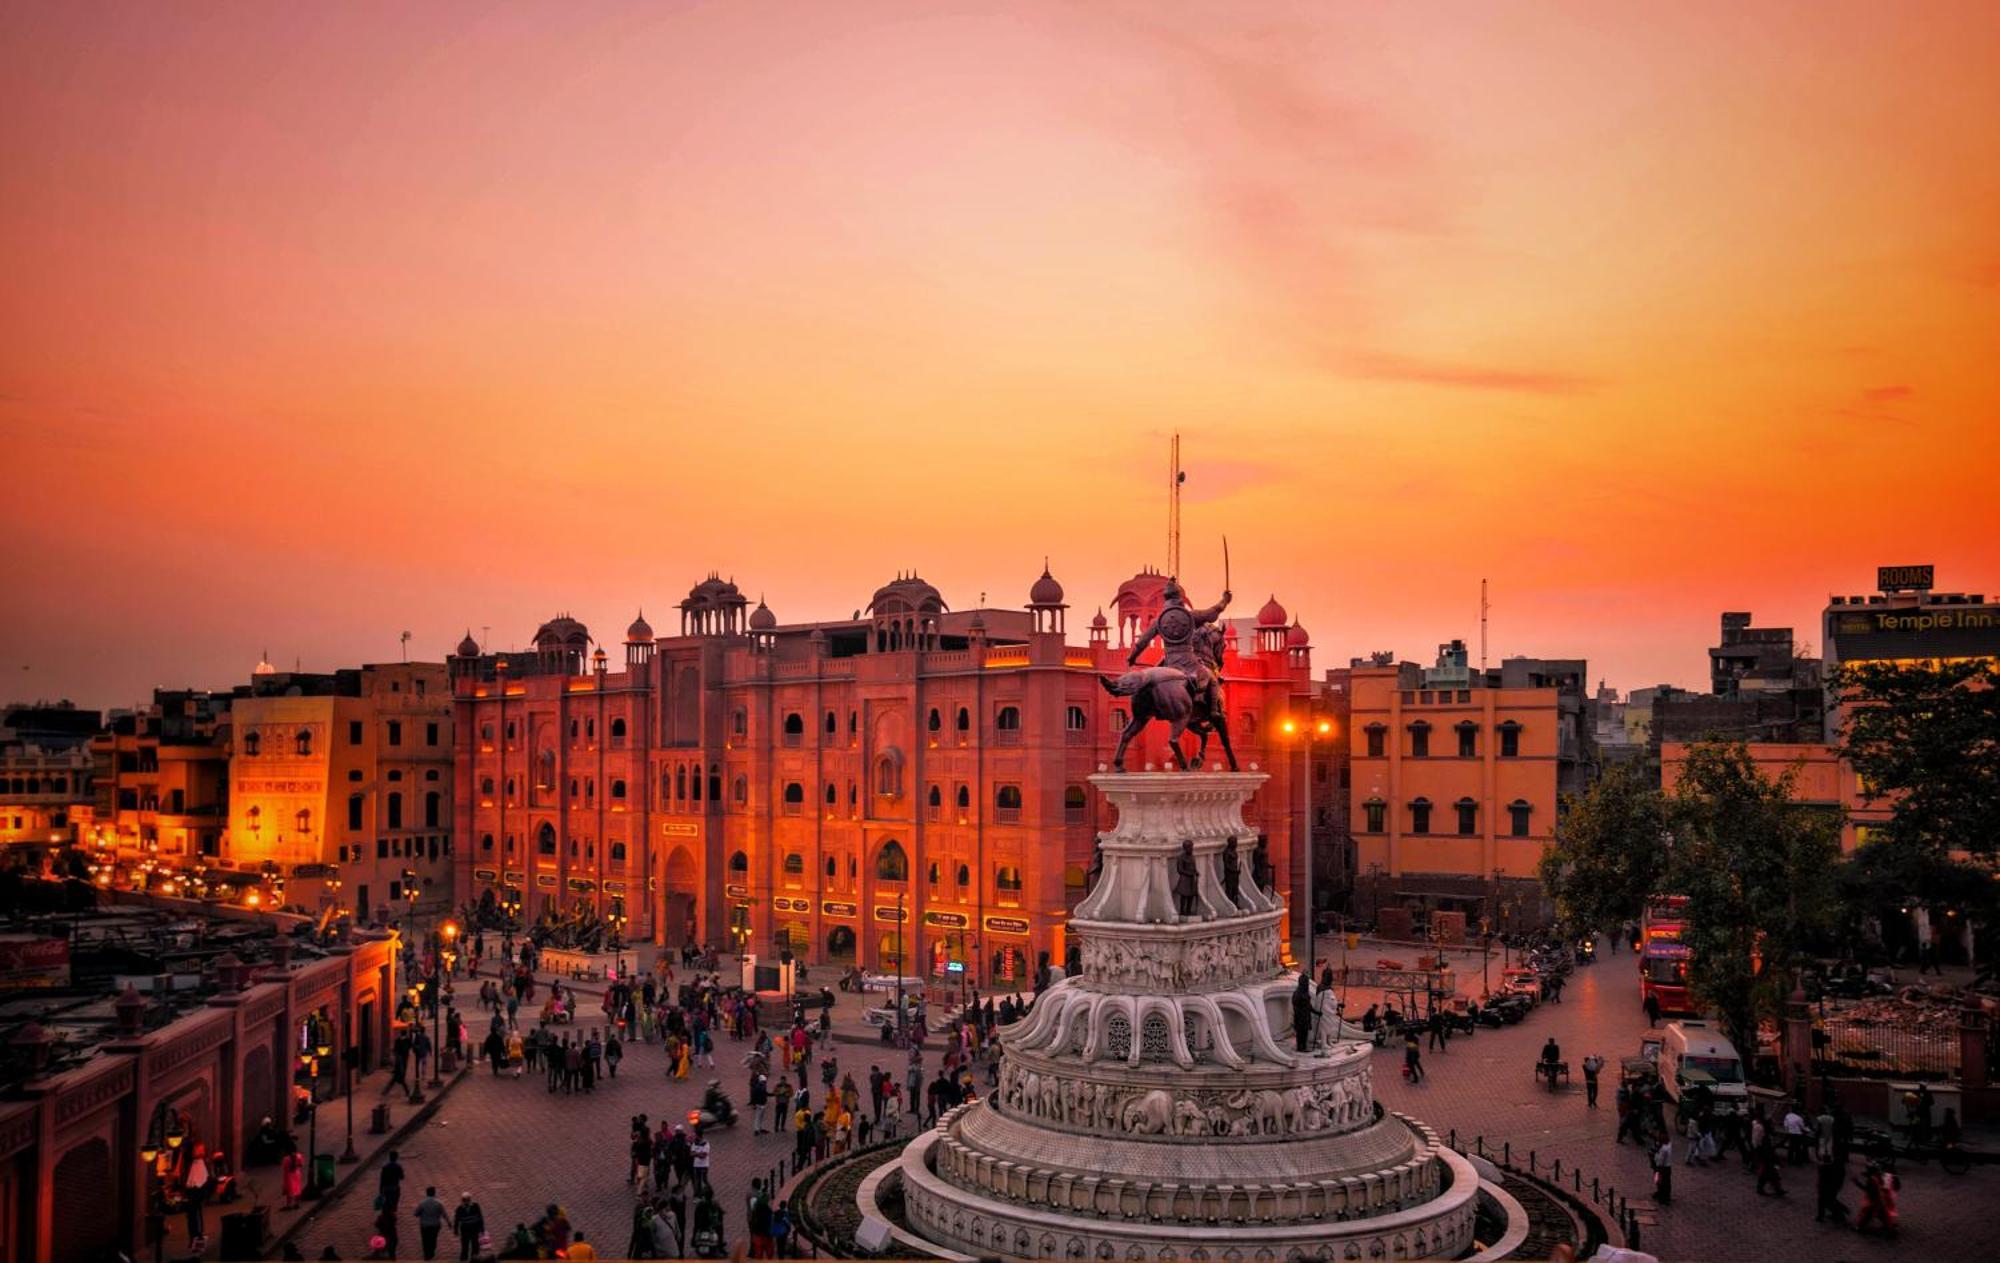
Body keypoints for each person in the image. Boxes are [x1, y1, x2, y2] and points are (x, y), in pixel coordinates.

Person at [452, 1194, 485, 1263]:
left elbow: (480, 1217)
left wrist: (482, 1228)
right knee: (465, 1246)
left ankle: (474, 1260)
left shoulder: (475, 1206)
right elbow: (457, 1220)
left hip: (474, 1229)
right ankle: (464, 1259)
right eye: (464, 1200)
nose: (465, 1202)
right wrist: (456, 1230)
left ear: (469, 1200)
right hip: (465, 1230)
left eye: (467, 1200)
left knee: (475, 1245)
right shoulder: (459, 1208)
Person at [379, 1151, 406, 1215]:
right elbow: (402, 1177)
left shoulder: (385, 1167)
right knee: (397, 1196)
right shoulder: (398, 1166)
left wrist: (380, 1189)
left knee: (385, 1200)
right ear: (396, 1158)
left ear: (389, 1157)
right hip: (394, 1187)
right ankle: (394, 1207)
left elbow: (382, 1179)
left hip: (386, 1187)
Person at [1650, 1133, 1673, 1205]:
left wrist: (1655, 1157)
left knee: (1659, 1182)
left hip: (1661, 1168)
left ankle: (1662, 1198)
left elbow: (1660, 1160)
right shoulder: (1669, 1145)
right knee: (1667, 1183)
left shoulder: (1663, 1149)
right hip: (1668, 1167)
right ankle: (1666, 1196)